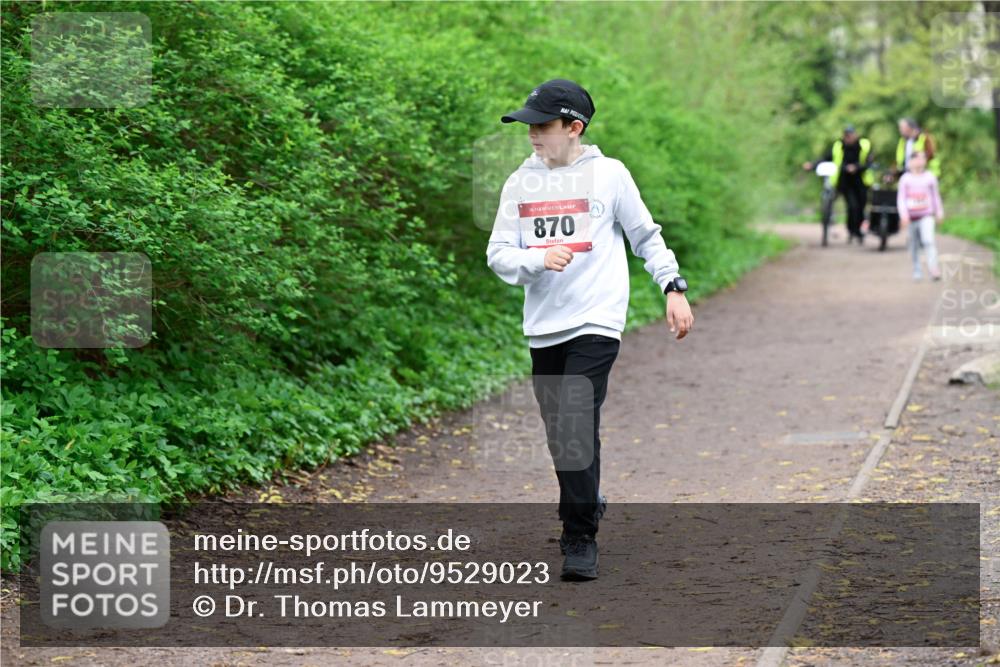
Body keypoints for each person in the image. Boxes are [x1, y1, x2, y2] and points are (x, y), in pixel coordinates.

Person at [486, 79, 694, 581]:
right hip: (544, 325)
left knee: (575, 422)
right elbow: (498, 254)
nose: (532, 134)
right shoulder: (519, 183)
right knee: (562, 432)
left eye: (542, 125)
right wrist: (536, 259)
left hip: (597, 319)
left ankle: (579, 535)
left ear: (573, 127)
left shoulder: (610, 176)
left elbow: (645, 234)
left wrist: (673, 285)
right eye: (528, 126)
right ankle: (587, 498)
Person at [802, 125, 875, 244]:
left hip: (861, 181)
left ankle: (857, 231)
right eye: (846, 136)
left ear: (855, 135)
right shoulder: (838, 146)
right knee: (852, 206)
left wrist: (856, 167)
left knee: (861, 207)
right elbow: (825, 158)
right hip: (845, 181)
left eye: (850, 135)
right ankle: (851, 231)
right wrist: (812, 165)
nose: (848, 138)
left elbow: (869, 162)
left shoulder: (865, 145)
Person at [896, 150, 944, 281]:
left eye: (923, 158)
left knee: (928, 241)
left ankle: (933, 268)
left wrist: (939, 212)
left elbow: (935, 196)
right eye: (918, 158)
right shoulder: (905, 179)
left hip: (926, 216)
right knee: (914, 245)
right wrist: (904, 216)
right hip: (911, 218)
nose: (921, 161)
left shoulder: (930, 177)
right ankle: (917, 269)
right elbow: (901, 199)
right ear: (911, 161)